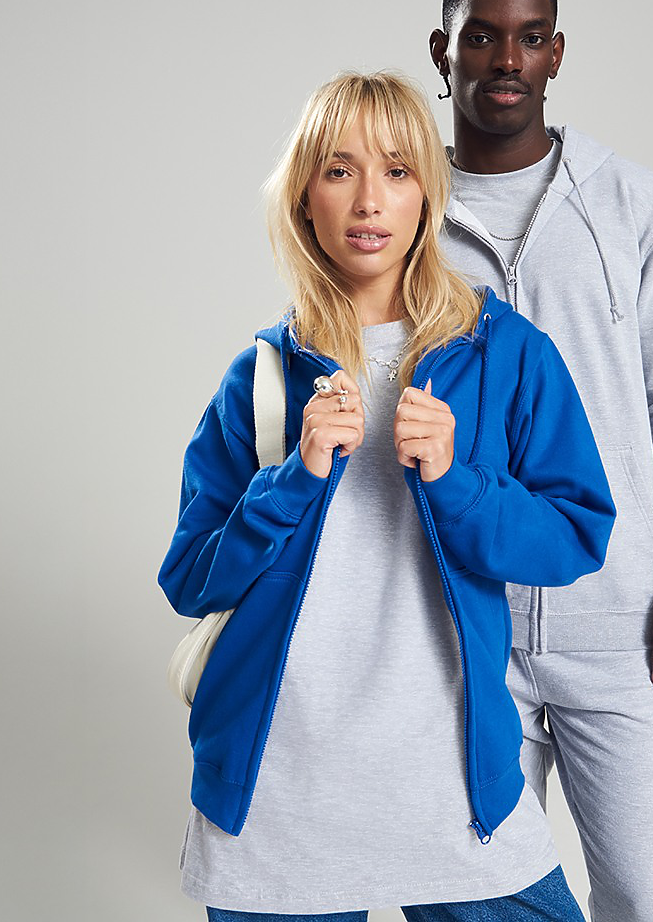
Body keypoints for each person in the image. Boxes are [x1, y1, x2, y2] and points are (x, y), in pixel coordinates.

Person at [156, 71, 616, 921]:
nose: (369, 199)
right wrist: (290, 480)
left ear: (427, 192)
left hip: (455, 788)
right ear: (306, 197)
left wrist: (457, 482)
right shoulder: (260, 378)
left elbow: (574, 535)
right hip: (275, 800)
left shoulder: (505, 352)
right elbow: (190, 578)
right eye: (340, 170)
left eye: (398, 170)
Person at [428, 0, 653, 922]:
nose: (505, 59)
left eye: (529, 38)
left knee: (641, 897)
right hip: (461, 626)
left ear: (557, 54)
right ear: (442, 52)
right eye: (481, 36)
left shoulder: (633, 205)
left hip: (617, 619)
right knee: (477, 896)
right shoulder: (403, 218)